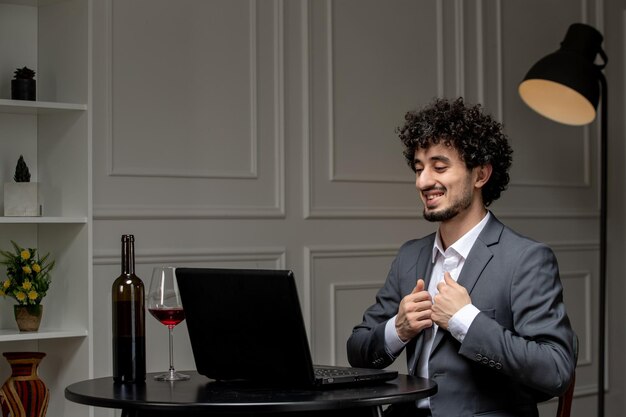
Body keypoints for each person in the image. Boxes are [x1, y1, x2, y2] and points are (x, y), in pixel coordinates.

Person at [346, 97, 577, 417]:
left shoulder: (527, 259)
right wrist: (397, 329)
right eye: (418, 168)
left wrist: (465, 321)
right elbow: (357, 352)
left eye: (439, 167)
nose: (423, 181)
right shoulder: (410, 255)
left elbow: (556, 371)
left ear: (480, 174)